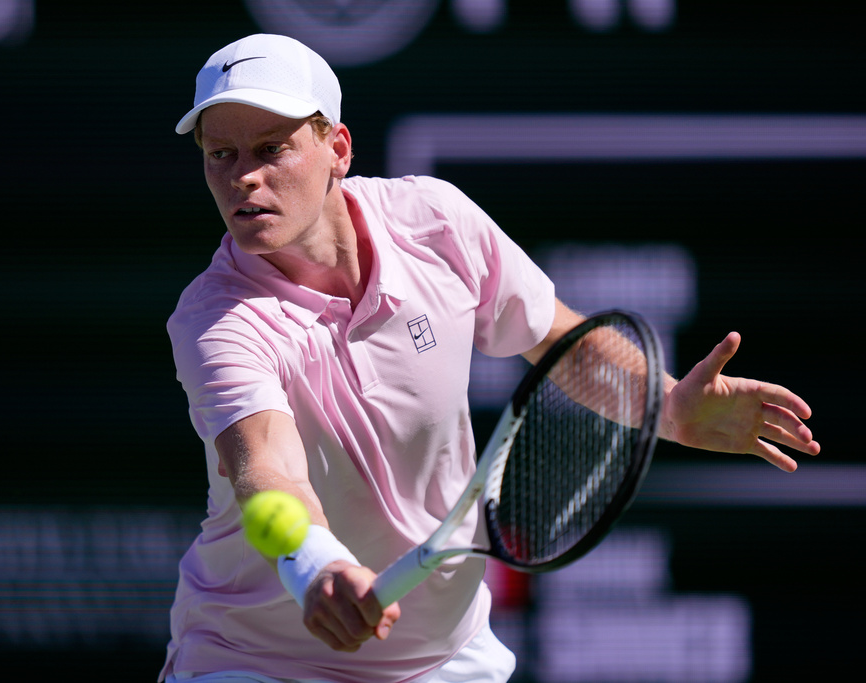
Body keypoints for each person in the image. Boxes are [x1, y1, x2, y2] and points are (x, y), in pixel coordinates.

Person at [160, 34, 820, 683]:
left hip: (447, 656)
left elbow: (564, 346)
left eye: (272, 148)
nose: (243, 175)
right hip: (254, 661)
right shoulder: (216, 319)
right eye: (220, 154)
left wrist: (669, 406)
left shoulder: (436, 222)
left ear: (337, 149)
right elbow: (267, 466)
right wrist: (315, 562)